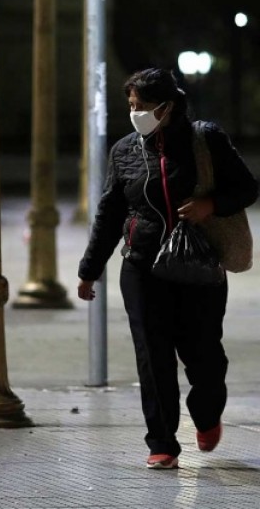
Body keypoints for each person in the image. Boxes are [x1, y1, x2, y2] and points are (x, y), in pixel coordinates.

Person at [77, 68, 258, 470]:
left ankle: (206, 415)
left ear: (168, 106)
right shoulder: (124, 150)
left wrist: (211, 205)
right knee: (152, 356)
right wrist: (89, 269)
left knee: (204, 356)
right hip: (142, 267)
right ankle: (162, 442)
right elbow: (110, 213)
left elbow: (248, 187)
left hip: (199, 265)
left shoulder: (205, 140)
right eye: (131, 105)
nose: (135, 113)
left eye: (142, 106)